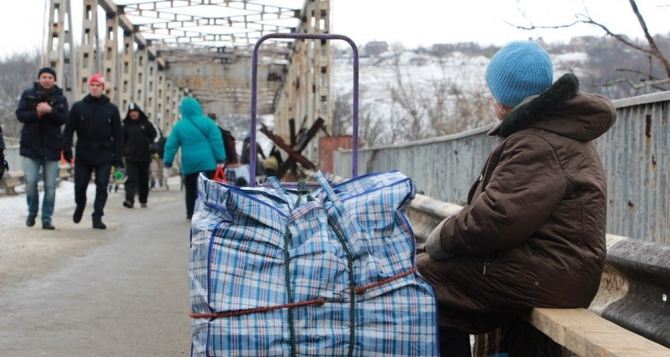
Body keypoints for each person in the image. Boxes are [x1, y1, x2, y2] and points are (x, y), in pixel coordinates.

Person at [416, 41, 616, 356]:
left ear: (504, 100)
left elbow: (495, 219)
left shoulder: (537, 143)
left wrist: (440, 238)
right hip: (553, 268)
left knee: (421, 285)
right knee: (429, 271)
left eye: (493, 92)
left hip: (552, 271)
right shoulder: (551, 133)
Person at [63, 73, 123, 229]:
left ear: (103, 88)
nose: (95, 88)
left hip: (104, 154)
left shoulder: (111, 109)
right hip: (83, 153)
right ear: (88, 87)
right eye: (92, 85)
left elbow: (118, 135)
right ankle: (80, 204)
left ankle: (97, 216)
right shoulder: (78, 107)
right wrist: (67, 148)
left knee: (102, 185)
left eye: (98, 85)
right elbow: (69, 130)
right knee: (80, 186)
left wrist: (118, 156)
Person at [15, 67, 69, 230]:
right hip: (32, 146)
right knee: (30, 183)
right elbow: (20, 115)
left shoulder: (60, 98)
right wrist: (37, 113)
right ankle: (32, 212)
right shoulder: (28, 94)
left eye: (50, 77)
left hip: (52, 147)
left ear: (54, 80)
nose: (47, 79)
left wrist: (50, 111)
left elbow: (63, 119)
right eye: (44, 76)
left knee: (50, 186)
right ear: (39, 79)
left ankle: (46, 218)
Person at [164, 97, 225, 220]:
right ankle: (208, 211)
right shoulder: (208, 123)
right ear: (198, 108)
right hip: (208, 163)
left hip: (190, 163)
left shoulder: (179, 126)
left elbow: (171, 145)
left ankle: (190, 213)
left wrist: (168, 161)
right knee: (207, 188)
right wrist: (220, 158)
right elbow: (216, 141)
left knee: (190, 188)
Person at [121, 102, 157, 208]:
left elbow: (155, 136)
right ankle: (129, 200)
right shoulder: (125, 126)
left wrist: (153, 145)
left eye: (135, 112)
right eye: (131, 112)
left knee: (143, 179)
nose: (133, 114)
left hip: (144, 157)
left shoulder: (146, 124)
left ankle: (143, 199)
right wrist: (121, 152)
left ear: (139, 112)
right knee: (131, 178)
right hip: (130, 157)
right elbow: (121, 141)